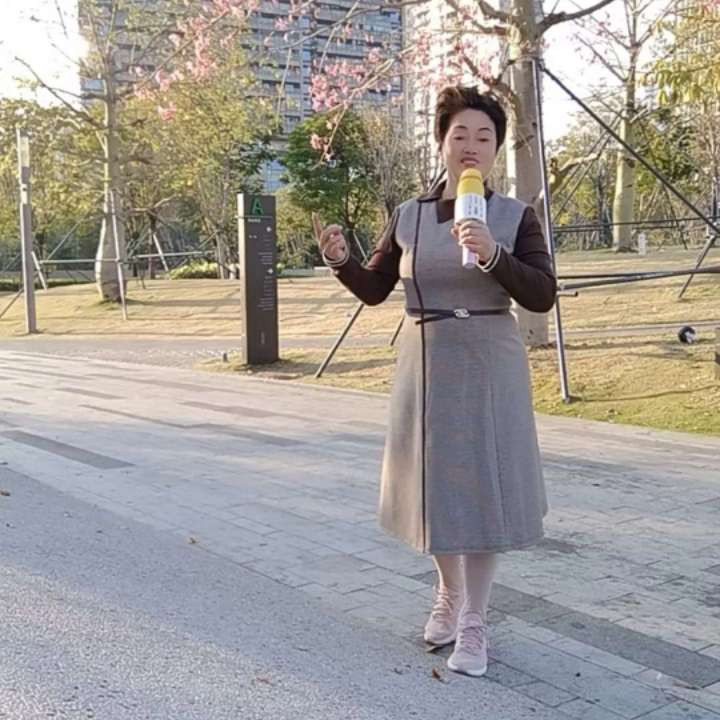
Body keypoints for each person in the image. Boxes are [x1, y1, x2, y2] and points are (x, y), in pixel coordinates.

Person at [313, 86, 556, 678]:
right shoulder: (409, 215)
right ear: (442, 142)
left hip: (491, 363)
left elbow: (542, 294)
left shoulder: (517, 217)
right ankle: (447, 593)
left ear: (496, 149)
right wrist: (341, 260)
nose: (471, 146)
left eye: (484, 137)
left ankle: (475, 618)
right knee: (435, 487)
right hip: (425, 361)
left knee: (485, 486)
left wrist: (493, 254)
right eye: (460, 135)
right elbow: (375, 289)